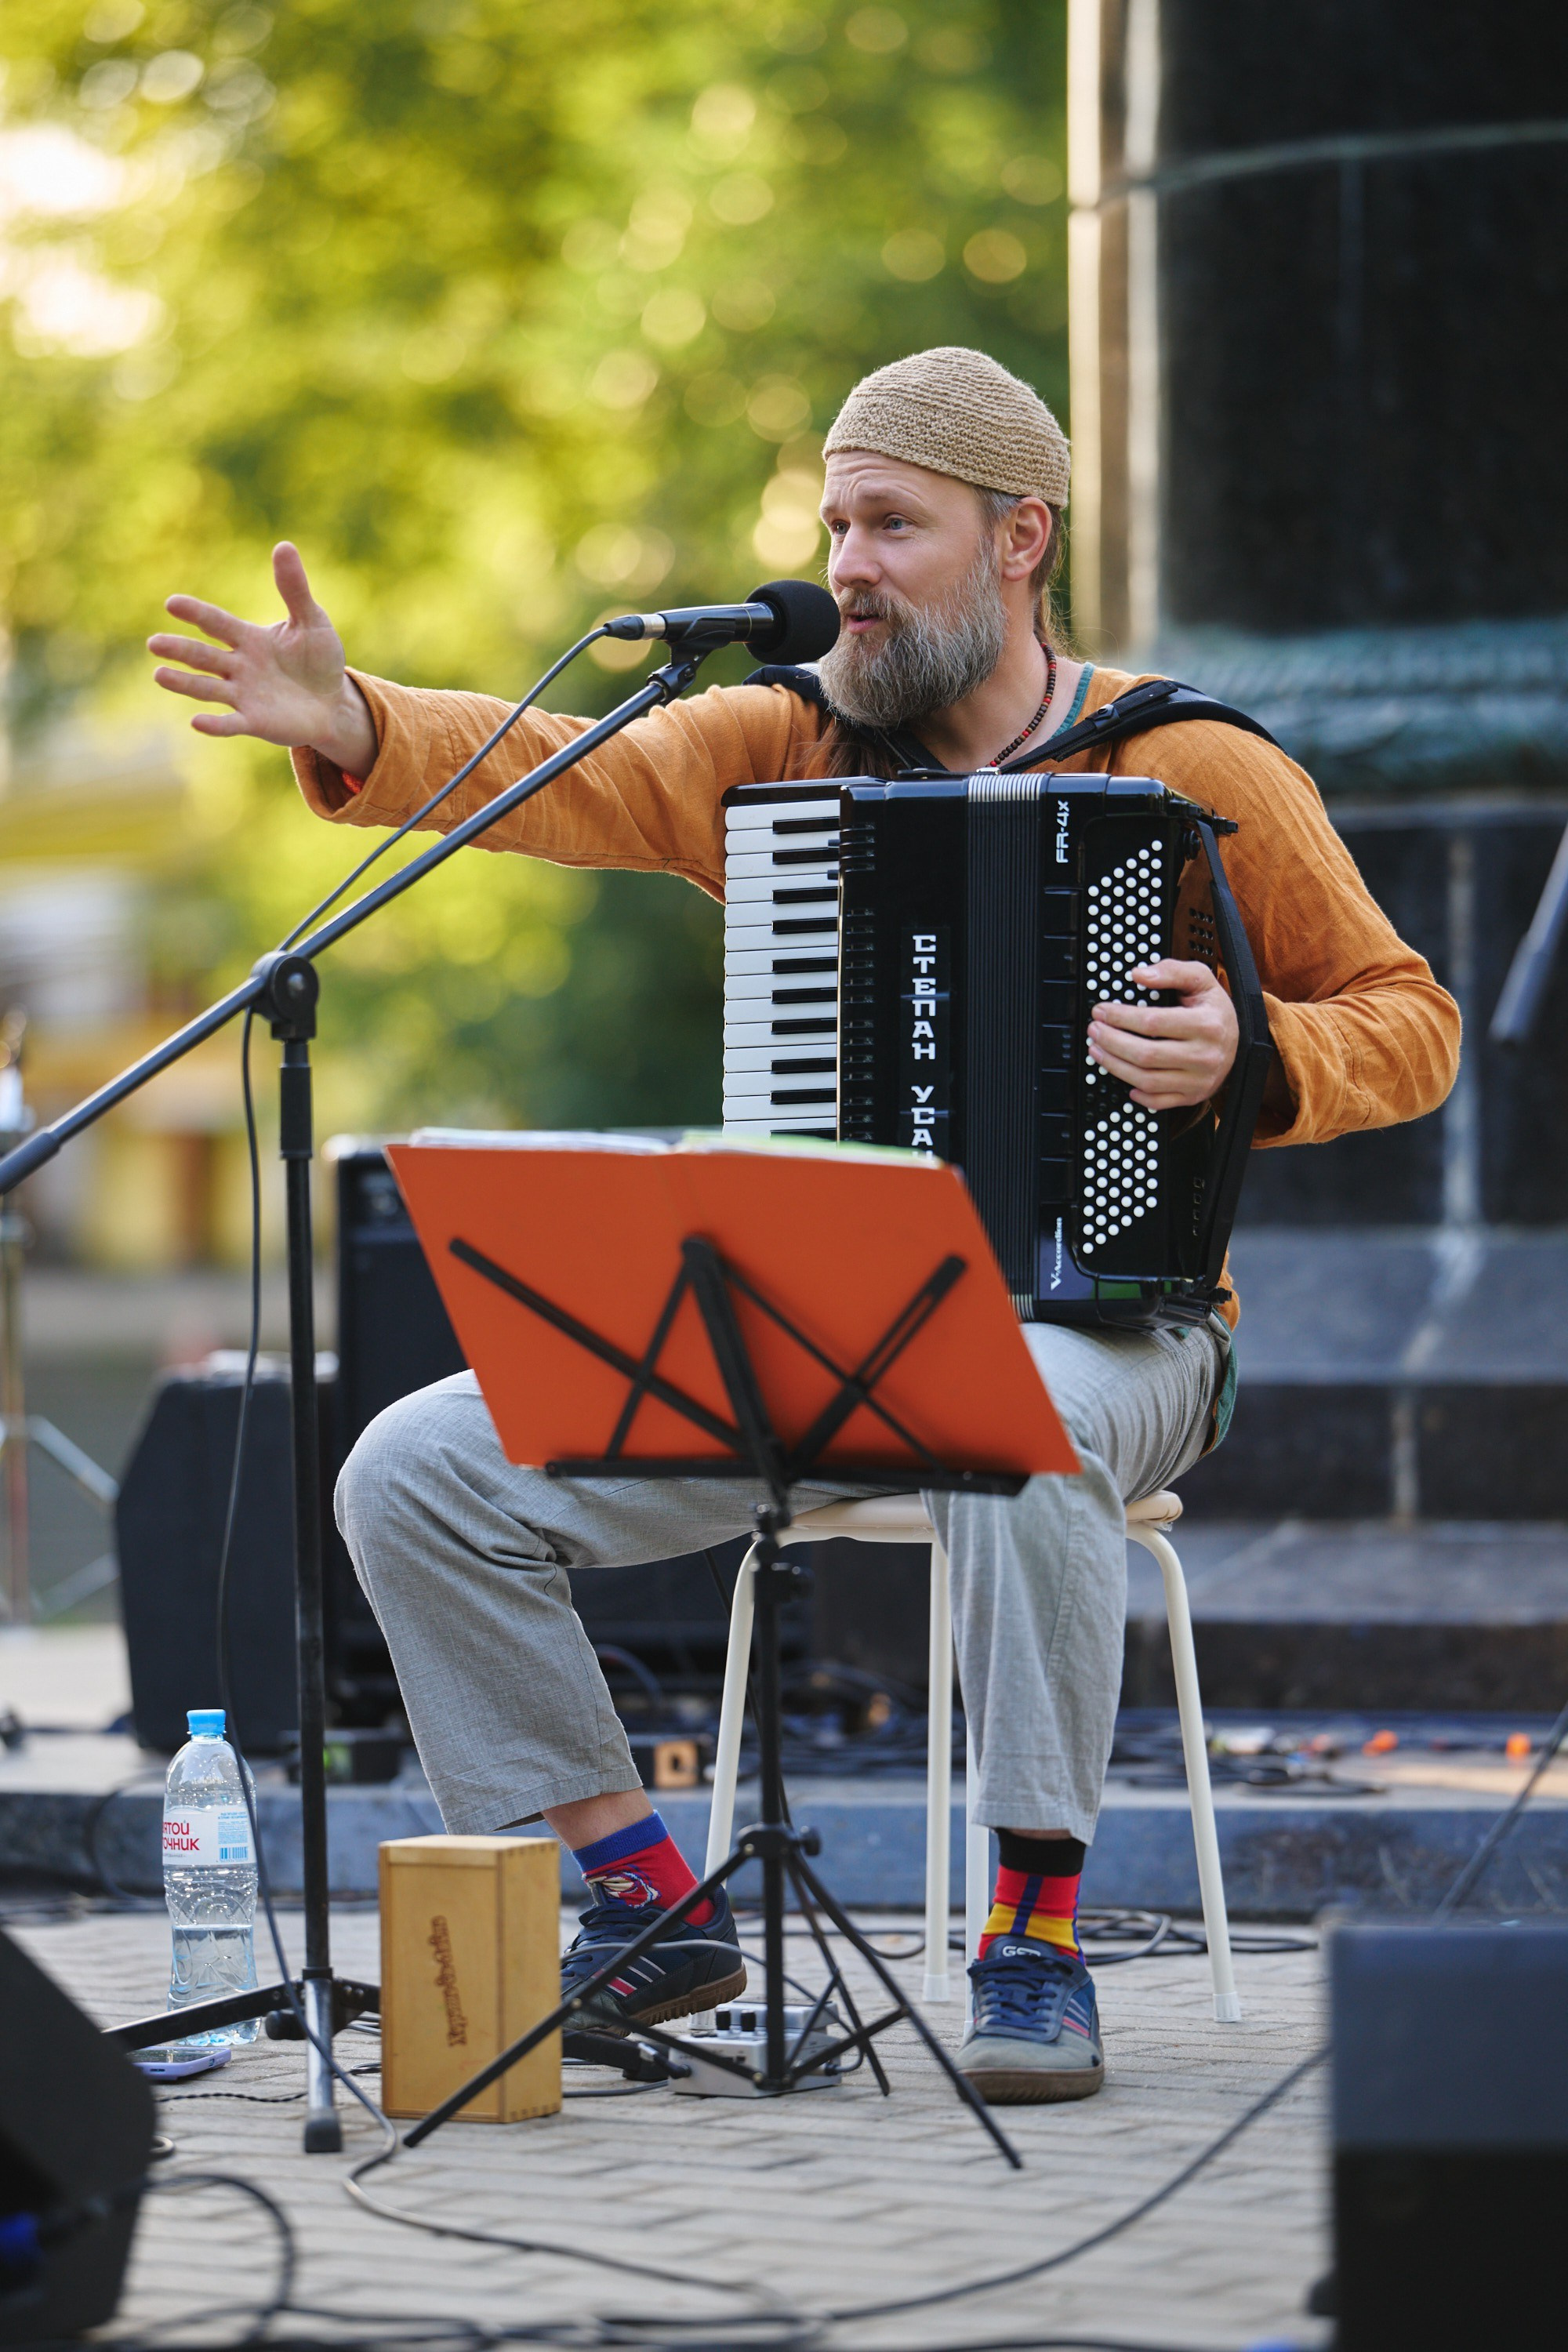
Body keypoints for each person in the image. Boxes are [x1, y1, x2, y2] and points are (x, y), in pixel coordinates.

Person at [147, 346, 1459, 2103]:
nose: (844, 559)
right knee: (413, 1464)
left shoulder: (1198, 763)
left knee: (1032, 1406)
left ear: (1019, 538)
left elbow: (1410, 1018)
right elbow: (560, 769)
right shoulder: (789, 741)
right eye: (835, 517)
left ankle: (1035, 1939)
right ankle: (638, 1897)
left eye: (891, 523)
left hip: (1126, 1331)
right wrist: (362, 727)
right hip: (824, 1329)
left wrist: (1255, 1050)